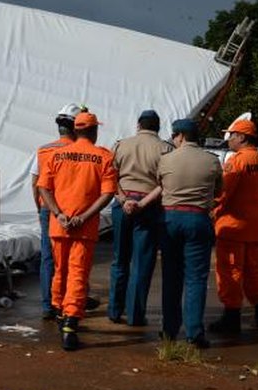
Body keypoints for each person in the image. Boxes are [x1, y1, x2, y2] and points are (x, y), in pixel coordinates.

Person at [37, 111, 117, 351]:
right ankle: (71, 322)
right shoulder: (103, 157)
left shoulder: (55, 155)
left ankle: (60, 310)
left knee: (60, 270)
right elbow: (108, 193)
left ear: (75, 129)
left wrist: (59, 214)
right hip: (84, 227)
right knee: (78, 273)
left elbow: (43, 188)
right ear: (93, 131)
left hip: (58, 225)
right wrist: (84, 216)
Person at [139, 119, 222, 348]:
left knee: (171, 278)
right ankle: (194, 333)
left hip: (170, 219)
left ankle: (169, 330)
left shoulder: (166, 160)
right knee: (196, 278)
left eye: (174, 136)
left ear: (181, 136)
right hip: (198, 219)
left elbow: (161, 184)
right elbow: (219, 189)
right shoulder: (212, 161)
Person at [209, 118, 258, 334]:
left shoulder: (236, 162)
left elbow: (224, 194)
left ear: (242, 137)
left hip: (232, 227)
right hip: (254, 228)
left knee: (230, 272)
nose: (228, 139)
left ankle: (231, 319)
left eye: (232, 135)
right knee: (253, 272)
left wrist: (212, 211)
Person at [108, 110, 171, 326]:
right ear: (158, 127)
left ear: (138, 125)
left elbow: (110, 178)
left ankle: (114, 311)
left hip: (122, 206)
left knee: (119, 259)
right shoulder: (165, 149)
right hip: (149, 207)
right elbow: (165, 184)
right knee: (142, 263)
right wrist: (142, 203)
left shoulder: (120, 145)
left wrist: (124, 199)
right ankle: (135, 316)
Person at [31, 103, 81, 320]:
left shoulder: (44, 150)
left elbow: (36, 183)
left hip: (48, 209)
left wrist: (41, 207)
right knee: (73, 257)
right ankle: (68, 302)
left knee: (48, 257)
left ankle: (48, 305)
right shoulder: (81, 152)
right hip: (74, 210)